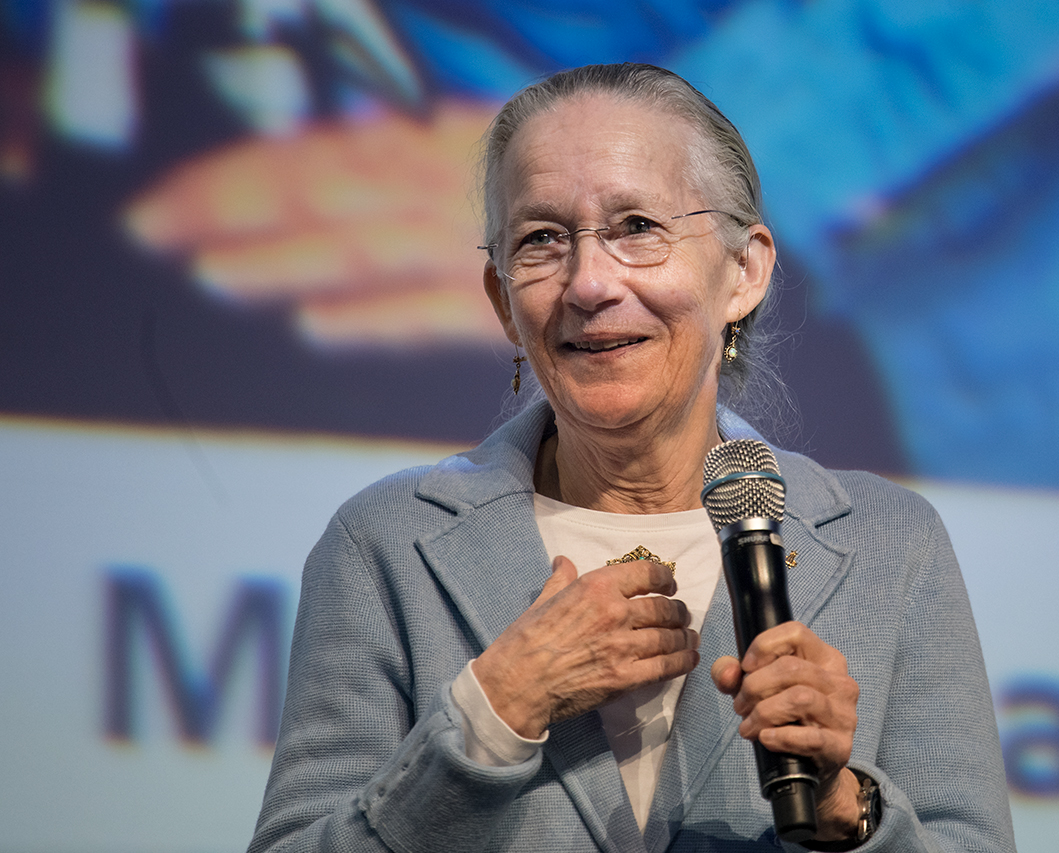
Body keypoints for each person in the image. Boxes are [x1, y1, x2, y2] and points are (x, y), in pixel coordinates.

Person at [247, 63, 1015, 853]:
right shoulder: (386, 545)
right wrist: (494, 712)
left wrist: (843, 809)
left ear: (744, 271)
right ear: (502, 298)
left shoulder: (892, 543)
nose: (589, 281)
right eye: (542, 239)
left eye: (638, 227)